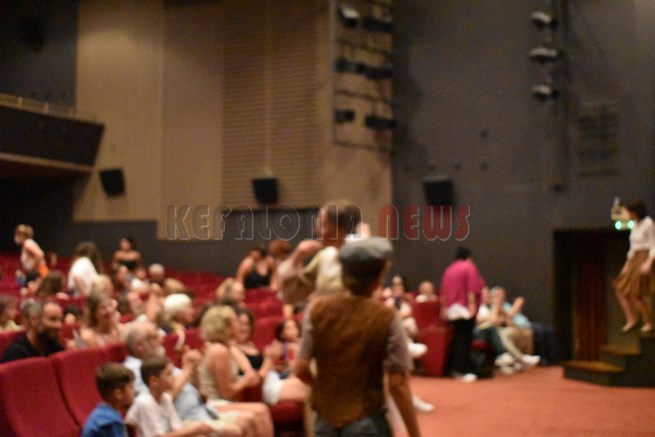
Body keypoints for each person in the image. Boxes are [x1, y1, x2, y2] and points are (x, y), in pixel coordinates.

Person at [294, 237, 421, 437]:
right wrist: (414, 433)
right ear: (378, 278)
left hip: (326, 421)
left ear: (343, 274)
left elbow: (301, 368)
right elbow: (397, 383)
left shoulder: (316, 310)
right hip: (367, 421)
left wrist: (321, 387)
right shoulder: (386, 317)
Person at [122, 321, 251, 436]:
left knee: (248, 420)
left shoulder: (161, 374)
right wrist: (187, 369)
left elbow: (198, 393)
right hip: (185, 416)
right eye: (154, 337)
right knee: (234, 430)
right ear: (139, 345)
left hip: (199, 410)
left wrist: (194, 370)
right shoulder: (134, 371)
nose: (161, 339)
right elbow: (162, 397)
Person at [198, 305, 274, 437]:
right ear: (225, 326)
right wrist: (245, 380)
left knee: (259, 410)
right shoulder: (219, 351)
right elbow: (226, 392)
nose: (238, 325)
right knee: (261, 411)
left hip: (224, 402)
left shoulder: (225, 347)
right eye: (235, 321)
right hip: (216, 404)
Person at [125, 356, 215, 437]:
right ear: (154, 381)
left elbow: (177, 429)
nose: (174, 377)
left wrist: (195, 432)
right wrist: (193, 430)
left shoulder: (165, 398)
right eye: (169, 374)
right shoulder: (145, 402)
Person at [439, 246, 486, 382]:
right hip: (464, 309)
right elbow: (472, 289)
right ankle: (461, 370)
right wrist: (472, 306)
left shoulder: (448, 270)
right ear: (469, 257)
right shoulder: (469, 267)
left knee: (457, 339)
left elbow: (443, 291)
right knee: (464, 340)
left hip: (451, 310)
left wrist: (443, 309)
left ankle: (455, 368)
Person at [613, 199, 655, 334]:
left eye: (629, 211)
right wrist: (627, 265)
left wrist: (649, 262)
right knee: (619, 289)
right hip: (634, 259)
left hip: (644, 256)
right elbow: (632, 248)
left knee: (636, 293)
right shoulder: (634, 225)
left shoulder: (648, 223)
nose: (628, 214)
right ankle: (631, 319)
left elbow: (653, 244)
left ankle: (648, 322)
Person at [82, 363, 136, 437]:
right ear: (118, 394)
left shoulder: (103, 412)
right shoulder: (110, 422)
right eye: (131, 387)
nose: (135, 391)